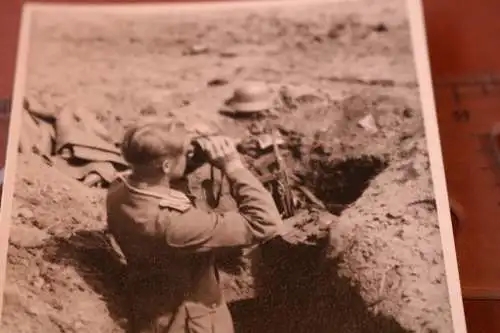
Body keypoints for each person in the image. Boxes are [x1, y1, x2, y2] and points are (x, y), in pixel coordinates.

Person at [105, 119, 284, 333]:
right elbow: (265, 222)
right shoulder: (174, 224)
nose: (187, 157)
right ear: (166, 166)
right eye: (183, 155)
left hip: (153, 309)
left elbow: (162, 174)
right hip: (190, 323)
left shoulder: (120, 190)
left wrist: (187, 151)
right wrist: (233, 166)